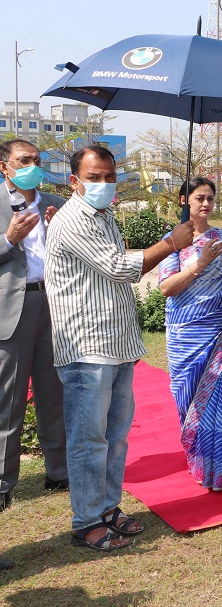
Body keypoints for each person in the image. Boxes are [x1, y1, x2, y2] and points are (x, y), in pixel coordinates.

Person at [45, 145, 195, 552]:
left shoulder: (103, 216)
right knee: (88, 438)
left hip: (117, 342)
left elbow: (114, 264)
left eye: (110, 177)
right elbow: (119, 267)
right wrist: (170, 243)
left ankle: (107, 507)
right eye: (94, 178)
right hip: (86, 345)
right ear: (74, 181)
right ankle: (86, 520)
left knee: (115, 436)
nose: (104, 184)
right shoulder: (73, 220)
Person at [158, 177, 222, 491]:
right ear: (184, 201)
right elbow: (166, 287)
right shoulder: (174, 240)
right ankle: (201, 462)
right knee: (189, 399)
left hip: (221, 333)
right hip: (185, 334)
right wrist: (199, 264)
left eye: (210, 199)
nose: (205, 204)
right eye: (199, 197)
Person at [1, 139, 68, 513]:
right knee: (9, 401)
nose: (32, 165)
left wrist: (58, 230)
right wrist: (9, 239)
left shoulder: (50, 202)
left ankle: (58, 471)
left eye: (37, 160)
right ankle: (4, 483)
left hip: (52, 302)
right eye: (24, 160)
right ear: (4, 166)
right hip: (14, 306)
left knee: (53, 393)